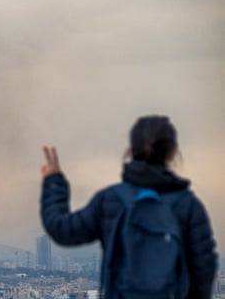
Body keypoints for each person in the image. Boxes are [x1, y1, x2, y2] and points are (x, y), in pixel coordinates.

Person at [40, 115, 217, 299]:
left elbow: (62, 229)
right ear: (172, 152)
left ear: (131, 150)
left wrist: (53, 182)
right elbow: (204, 267)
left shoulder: (111, 201)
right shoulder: (188, 206)